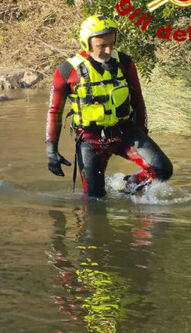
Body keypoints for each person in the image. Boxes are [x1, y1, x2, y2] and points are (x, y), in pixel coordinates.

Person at [45, 15, 173, 197]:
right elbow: (55, 111)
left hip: (126, 133)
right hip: (90, 140)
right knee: (95, 199)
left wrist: (143, 131)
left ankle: (130, 185)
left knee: (162, 170)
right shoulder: (67, 71)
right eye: (101, 46)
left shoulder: (125, 62)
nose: (108, 49)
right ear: (86, 43)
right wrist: (52, 150)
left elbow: (137, 99)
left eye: (111, 44)